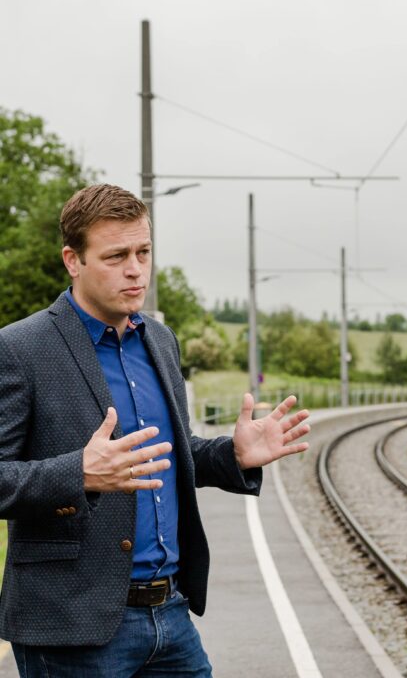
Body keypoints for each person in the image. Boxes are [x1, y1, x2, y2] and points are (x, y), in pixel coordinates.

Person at [0, 184, 311, 676]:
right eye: (116, 255)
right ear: (72, 260)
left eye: (144, 252)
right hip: (72, 624)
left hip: (170, 613)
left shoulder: (160, 341)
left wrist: (233, 454)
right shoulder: (19, 349)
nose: (135, 269)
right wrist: (77, 473)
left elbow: (168, 451)